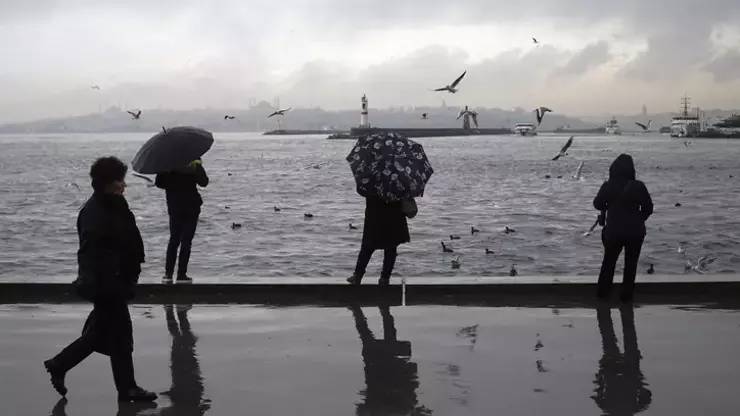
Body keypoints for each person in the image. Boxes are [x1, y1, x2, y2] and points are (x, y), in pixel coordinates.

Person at [43, 156, 156, 402]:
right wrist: (115, 282)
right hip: (106, 284)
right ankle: (60, 364)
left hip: (115, 281)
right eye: (119, 180)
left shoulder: (113, 204)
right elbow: (96, 253)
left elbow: (126, 240)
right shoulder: (96, 212)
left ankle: (125, 387)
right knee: (113, 335)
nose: (124, 185)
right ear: (107, 183)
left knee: (112, 334)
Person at [593, 154, 653, 301]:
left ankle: (602, 294)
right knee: (631, 265)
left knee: (609, 262)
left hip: (614, 231)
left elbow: (597, 204)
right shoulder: (638, 186)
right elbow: (648, 207)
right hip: (635, 232)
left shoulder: (608, 185)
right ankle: (626, 297)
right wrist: (639, 218)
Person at [155, 159, 209, 283]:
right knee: (186, 241)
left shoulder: (167, 163)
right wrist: (198, 166)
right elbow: (204, 182)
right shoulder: (194, 162)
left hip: (174, 206)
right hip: (192, 206)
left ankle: (168, 275)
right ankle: (181, 275)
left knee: (174, 239)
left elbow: (159, 183)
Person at [347, 196, 410, 285]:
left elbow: (362, 190)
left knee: (368, 246)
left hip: (376, 213)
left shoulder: (372, 183)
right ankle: (384, 278)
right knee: (390, 247)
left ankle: (358, 275)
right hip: (392, 214)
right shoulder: (397, 183)